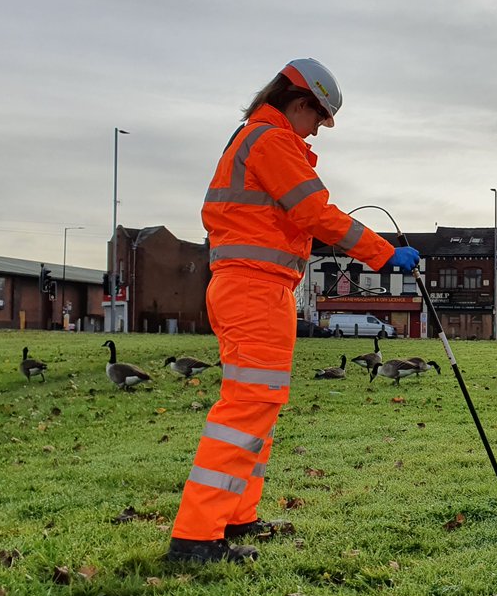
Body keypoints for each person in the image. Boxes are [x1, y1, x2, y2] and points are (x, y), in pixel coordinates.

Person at [165, 58, 419, 563]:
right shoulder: (271, 141)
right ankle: (196, 537)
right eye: (319, 120)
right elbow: (315, 213)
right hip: (253, 290)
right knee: (246, 408)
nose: (318, 132)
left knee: (259, 405)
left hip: (259, 287)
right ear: (299, 102)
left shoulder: (255, 141)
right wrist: (383, 252)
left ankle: (237, 517)